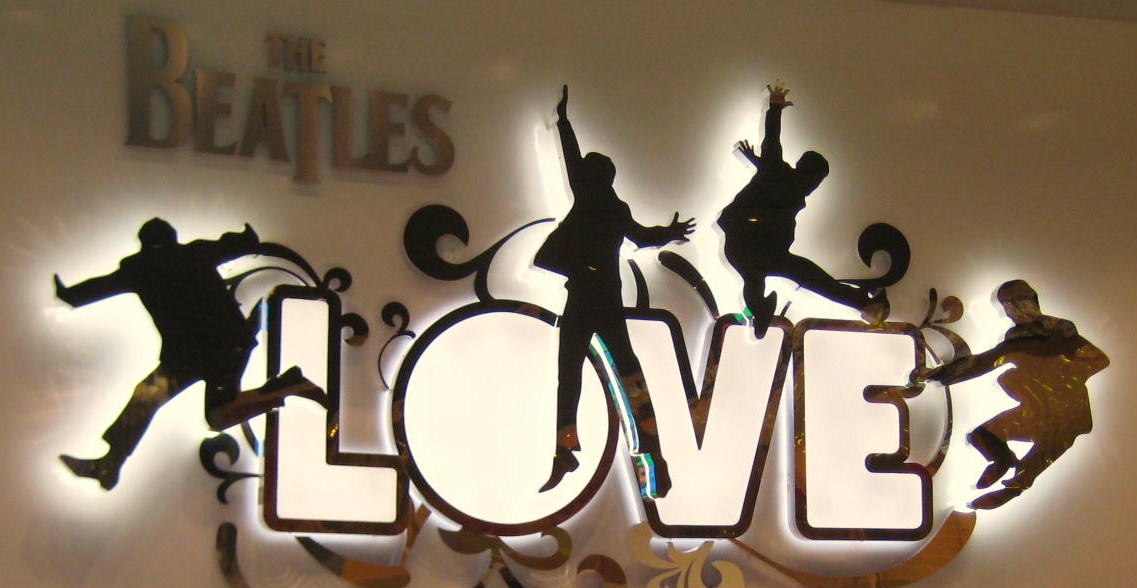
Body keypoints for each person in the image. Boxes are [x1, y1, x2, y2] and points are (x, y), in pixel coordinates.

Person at [56, 218, 326, 490]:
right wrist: (246, 239)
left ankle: (110, 464)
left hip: (197, 354)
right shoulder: (194, 252)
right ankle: (286, 386)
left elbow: (101, 286)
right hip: (224, 347)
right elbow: (233, 245)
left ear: (144, 244)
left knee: (154, 400)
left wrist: (70, 296)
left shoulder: (140, 267)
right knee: (207, 413)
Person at [534, 86, 694, 498]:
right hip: (605, 299)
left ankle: (567, 443)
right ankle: (652, 454)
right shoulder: (613, 207)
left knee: (572, 372)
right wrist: (670, 232)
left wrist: (564, 123)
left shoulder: (589, 200)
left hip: (585, 297)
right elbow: (643, 235)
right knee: (627, 375)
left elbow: (571, 160)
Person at [919, 280, 1109, 509]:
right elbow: (980, 363)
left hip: (1066, 413)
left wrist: (1061, 375)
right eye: (1005, 307)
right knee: (982, 436)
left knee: (1037, 459)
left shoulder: (1063, 333)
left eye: (1010, 306)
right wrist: (938, 374)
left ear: (1026, 303)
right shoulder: (1018, 339)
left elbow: (1099, 361)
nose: (1009, 313)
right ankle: (1003, 461)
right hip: (1035, 409)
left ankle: (1011, 488)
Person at [718, 83, 886, 337]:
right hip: (746, 239)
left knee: (780, 277)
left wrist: (774, 110)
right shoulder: (779, 171)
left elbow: (771, 144)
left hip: (759, 250)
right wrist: (775, 105)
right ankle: (861, 303)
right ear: (808, 173)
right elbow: (772, 137)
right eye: (816, 180)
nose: (814, 186)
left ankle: (861, 303)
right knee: (782, 275)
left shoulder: (778, 172)